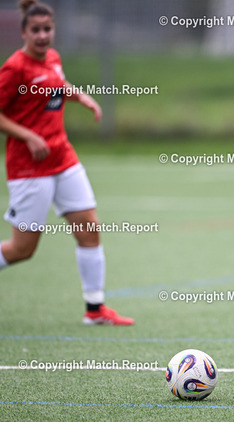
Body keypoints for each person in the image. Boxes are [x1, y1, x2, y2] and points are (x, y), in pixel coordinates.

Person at [0, 0, 133, 325]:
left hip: (64, 158)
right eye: (36, 30)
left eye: (47, 29)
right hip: (30, 168)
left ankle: (95, 309)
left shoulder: (53, 58)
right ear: (24, 32)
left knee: (89, 229)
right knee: (22, 249)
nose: (42, 35)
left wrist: (81, 96)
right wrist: (29, 136)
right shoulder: (15, 68)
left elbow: (57, 84)